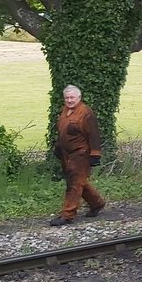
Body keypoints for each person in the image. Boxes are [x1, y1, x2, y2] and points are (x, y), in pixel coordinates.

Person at [50, 85, 106, 226]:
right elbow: (62, 131)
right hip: (66, 154)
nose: (69, 100)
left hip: (81, 154)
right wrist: (58, 146)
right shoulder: (65, 111)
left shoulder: (86, 113)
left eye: (72, 97)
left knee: (74, 184)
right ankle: (97, 203)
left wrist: (95, 154)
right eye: (67, 98)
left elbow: (94, 134)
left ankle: (67, 215)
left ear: (79, 98)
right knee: (79, 182)